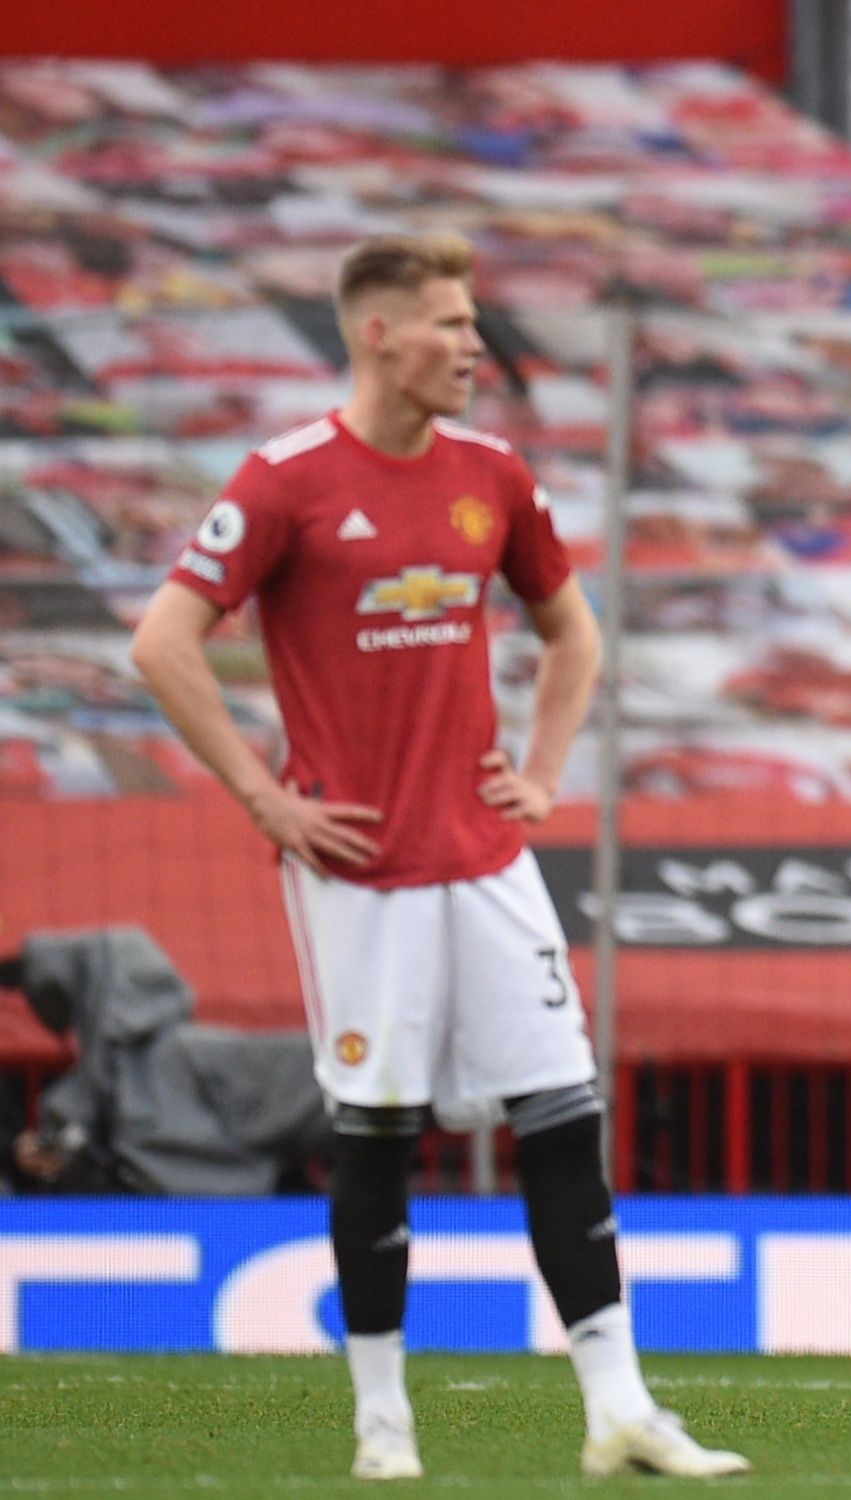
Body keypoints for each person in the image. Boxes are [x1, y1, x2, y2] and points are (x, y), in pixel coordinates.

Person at [128, 232, 745, 1481]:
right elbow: (163, 641)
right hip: (357, 872)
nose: (476, 347)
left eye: (474, 325)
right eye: (454, 325)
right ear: (379, 333)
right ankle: (381, 1421)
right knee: (379, 1132)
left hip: (484, 860)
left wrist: (545, 769)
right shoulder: (285, 479)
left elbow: (571, 633)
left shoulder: (494, 475)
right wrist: (263, 797)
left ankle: (618, 1408)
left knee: (564, 1116)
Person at [4, 925, 332, 1196]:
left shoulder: (198, 1053)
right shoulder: (86, 1088)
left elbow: (310, 1078)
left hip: (216, 1221)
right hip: (183, 1227)